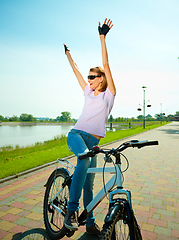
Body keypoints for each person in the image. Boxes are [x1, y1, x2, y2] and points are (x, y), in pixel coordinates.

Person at [63, 18, 116, 235]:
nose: (89, 79)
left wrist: (102, 37)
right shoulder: (87, 90)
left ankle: (91, 222)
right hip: (76, 135)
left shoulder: (109, 94)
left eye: (93, 77)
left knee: (89, 185)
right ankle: (71, 211)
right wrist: (68, 55)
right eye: (89, 77)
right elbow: (75, 70)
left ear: (102, 79)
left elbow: (107, 64)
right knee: (83, 158)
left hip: (94, 141)